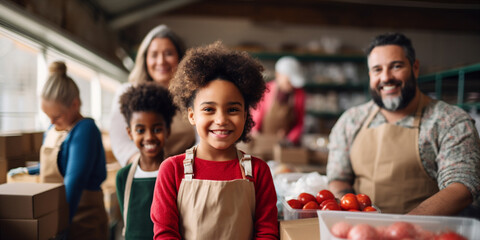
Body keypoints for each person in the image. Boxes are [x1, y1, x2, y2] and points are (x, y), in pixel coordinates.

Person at [327, 33, 480, 217]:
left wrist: (402, 227)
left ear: (415, 68)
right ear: (370, 75)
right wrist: (353, 213)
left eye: (396, 66)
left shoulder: (450, 120)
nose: (386, 77)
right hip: (362, 228)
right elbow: (338, 179)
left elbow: (462, 186)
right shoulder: (350, 121)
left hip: (427, 232)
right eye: (377, 69)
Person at [151, 42, 279, 239]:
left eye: (233, 109)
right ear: (192, 115)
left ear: (245, 115)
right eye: (209, 109)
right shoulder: (171, 170)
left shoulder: (258, 171)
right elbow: (165, 234)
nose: (221, 120)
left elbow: (267, 233)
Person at [9, 61, 108, 239]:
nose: (52, 122)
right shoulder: (54, 128)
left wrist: (59, 227)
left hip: (81, 215)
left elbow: (74, 183)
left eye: (57, 116)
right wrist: (27, 171)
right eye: (48, 117)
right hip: (57, 209)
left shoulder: (85, 130)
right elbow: (55, 164)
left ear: (75, 104)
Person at [109, 24, 196, 167]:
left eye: (168, 53)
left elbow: (201, 140)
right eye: (154, 55)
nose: (161, 61)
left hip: (185, 175)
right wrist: (149, 169)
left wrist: (182, 169)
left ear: (180, 58)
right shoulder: (127, 93)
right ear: (145, 59)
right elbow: (120, 141)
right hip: (143, 173)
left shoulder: (192, 95)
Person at [116, 83, 176, 239]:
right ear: (130, 133)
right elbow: (128, 224)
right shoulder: (123, 177)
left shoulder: (177, 173)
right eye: (140, 130)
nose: (149, 137)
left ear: (167, 130)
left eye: (157, 129)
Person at [251, 56, 306, 146]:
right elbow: (257, 114)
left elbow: (300, 123)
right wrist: (254, 132)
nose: (291, 85)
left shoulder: (299, 94)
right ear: (278, 75)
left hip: (285, 144)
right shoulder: (266, 90)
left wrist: (290, 139)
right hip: (263, 140)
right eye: (288, 82)